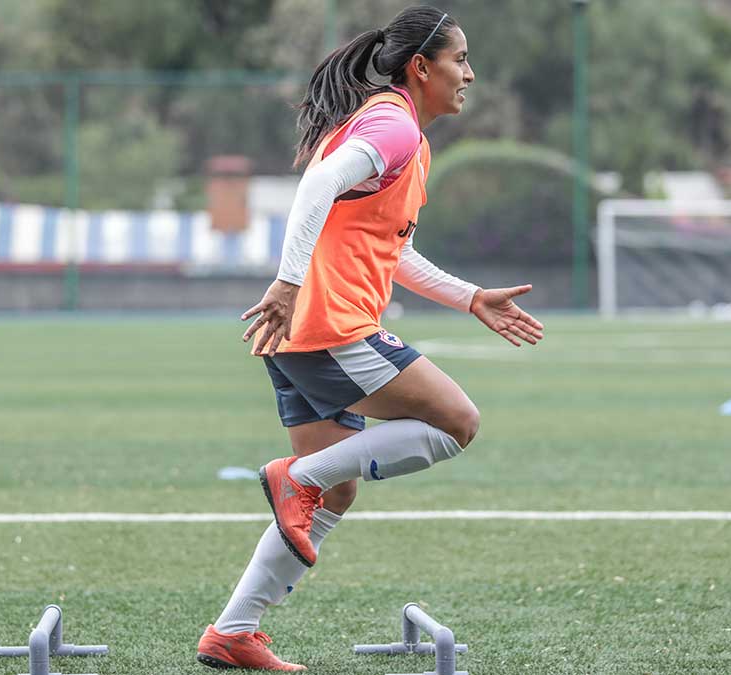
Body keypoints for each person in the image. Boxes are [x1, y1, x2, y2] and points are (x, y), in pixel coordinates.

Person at [196, 6, 545, 671]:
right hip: (328, 326)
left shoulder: (402, 134)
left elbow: (393, 250)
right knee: (456, 422)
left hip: (300, 334)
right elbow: (317, 185)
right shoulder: (391, 125)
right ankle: (295, 478)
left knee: (338, 490)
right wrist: (289, 281)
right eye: (459, 60)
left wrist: (468, 296)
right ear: (421, 68)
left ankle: (233, 630)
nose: (469, 73)